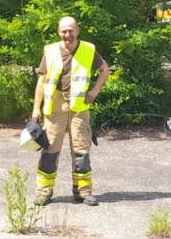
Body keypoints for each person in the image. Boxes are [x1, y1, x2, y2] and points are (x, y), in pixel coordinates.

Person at [31, 16, 111, 206]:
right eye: (64, 31)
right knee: (50, 150)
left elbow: (104, 70)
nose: (67, 34)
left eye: (71, 30)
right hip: (55, 107)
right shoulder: (50, 51)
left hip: (79, 107)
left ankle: (83, 192)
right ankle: (44, 192)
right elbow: (41, 81)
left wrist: (95, 91)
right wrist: (36, 108)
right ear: (59, 32)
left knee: (81, 149)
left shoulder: (88, 49)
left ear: (77, 30)